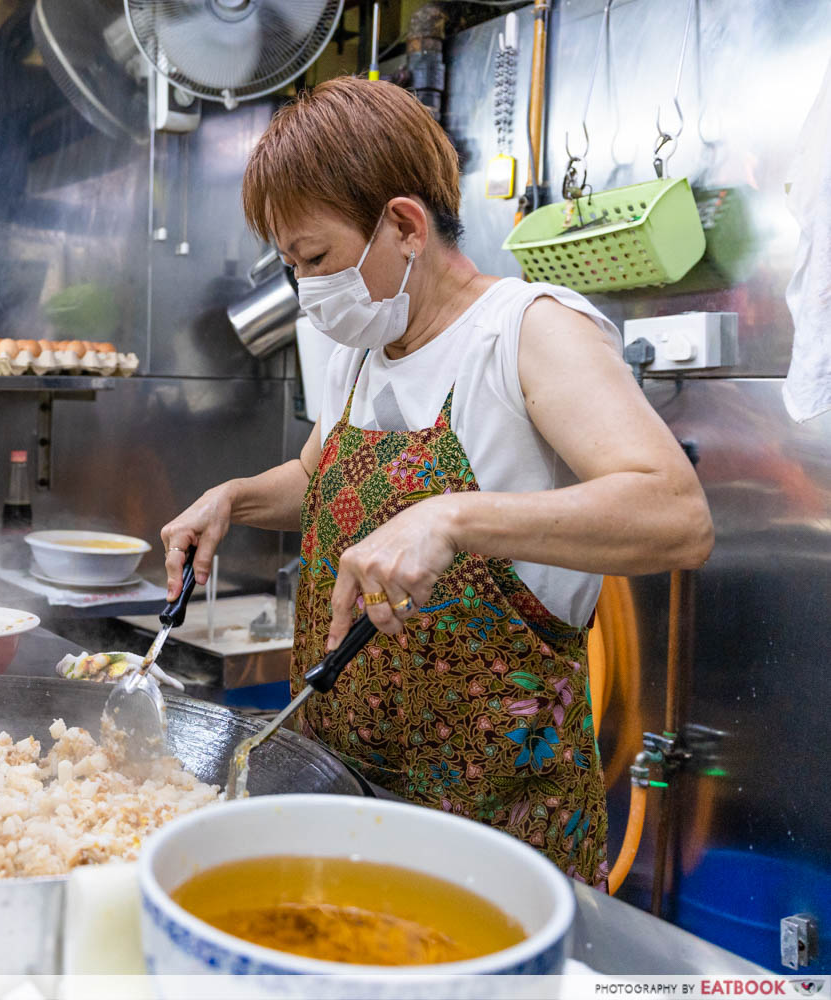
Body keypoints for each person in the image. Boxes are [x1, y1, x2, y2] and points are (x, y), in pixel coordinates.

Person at [160, 78, 713, 886]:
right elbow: (318, 480)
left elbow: (677, 514)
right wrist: (235, 499)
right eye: (291, 267)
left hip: (493, 844)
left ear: (406, 225)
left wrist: (451, 518)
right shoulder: (369, 348)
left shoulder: (525, 330)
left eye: (315, 259)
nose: (307, 291)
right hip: (346, 801)